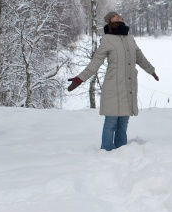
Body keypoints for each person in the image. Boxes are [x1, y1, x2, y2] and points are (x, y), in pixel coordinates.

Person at [68, 11, 159, 151]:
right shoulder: (107, 39)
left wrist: (151, 70)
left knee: (123, 123)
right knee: (111, 122)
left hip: (128, 86)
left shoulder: (130, 38)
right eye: (115, 16)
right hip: (113, 86)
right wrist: (80, 78)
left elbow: (140, 57)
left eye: (120, 15)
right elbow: (96, 62)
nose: (119, 16)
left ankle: (122, 150)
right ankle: (106, 150)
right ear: (110, 20)